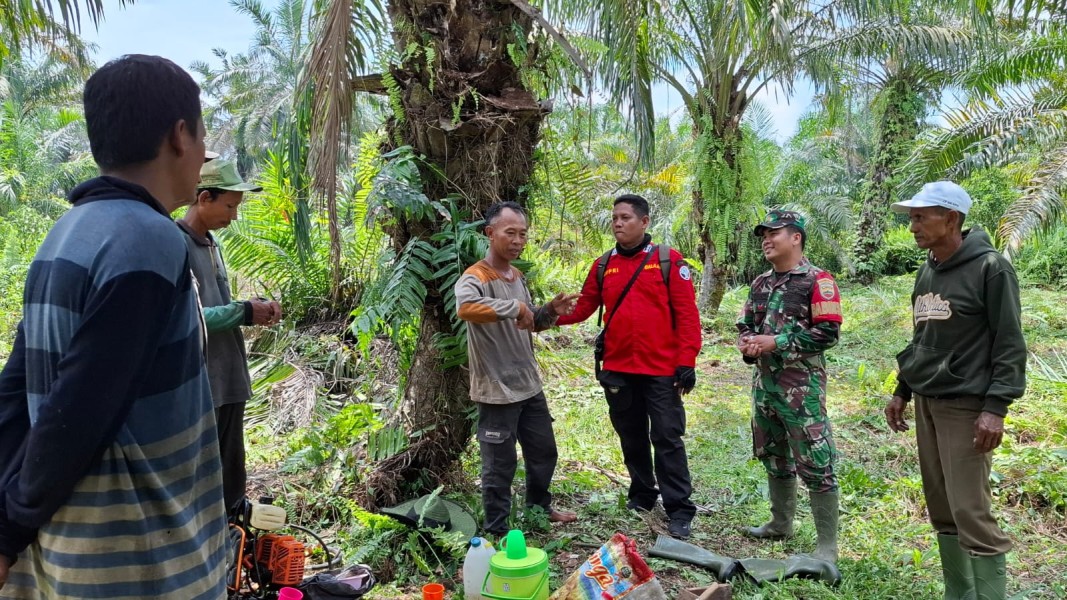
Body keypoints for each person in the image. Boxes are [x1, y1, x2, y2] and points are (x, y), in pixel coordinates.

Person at [0, 55, 226, 598]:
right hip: (137, 559)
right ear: (179, 135)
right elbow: (82, 402)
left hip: (72, 555)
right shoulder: (150, 239)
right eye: (201, 137)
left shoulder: (68, 231)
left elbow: (16, 387)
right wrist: (10, 528)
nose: (202, 155)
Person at [885, 181, 1024, 600]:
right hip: (927, 400)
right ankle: (958, 594)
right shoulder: (927, 269)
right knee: (942, 507)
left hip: (966, 406)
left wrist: (996, 407)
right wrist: (902, 391)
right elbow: (921, 337)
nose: (913, 226)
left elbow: (1010, 342)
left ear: (951, 219)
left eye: (920, 216)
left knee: (970, 510)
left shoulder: (990, 268)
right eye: (911, 217)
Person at [555, 194, 701, 539]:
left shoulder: (668, 260)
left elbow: (687, 315)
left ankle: (679, 509)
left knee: (667, 437)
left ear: (644, 221)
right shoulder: (603, 265)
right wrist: (548, 315)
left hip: (661, 369)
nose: (618, 223)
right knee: (631, 435)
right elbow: (584, 308)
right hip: (619, 368)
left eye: (625, 217)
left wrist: (686, 361)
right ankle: (642, 495)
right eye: (615, 218)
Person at [455, 201, 579, 536]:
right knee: (499, 465)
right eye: (510, 232)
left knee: (544, 453)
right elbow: (466, 308)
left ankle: (538, 511)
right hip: (496, 389)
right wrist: (517, 306)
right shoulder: (476, 276)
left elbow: (530, 323)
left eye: (523, 234)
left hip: (528, 385)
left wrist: (549, 311)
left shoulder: (517, 275)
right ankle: (496, 532)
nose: (518, 240)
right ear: (489, 233)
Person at [736, 209, 842, 563]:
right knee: (773, 454)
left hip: (802, 390)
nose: (766, 239)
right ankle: (781, 523)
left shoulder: (818, 280)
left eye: (774, 232)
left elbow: (828, 332)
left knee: (815, 460)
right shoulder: (760, 283)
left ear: (796, 237)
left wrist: (776, 342)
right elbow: (747, 325)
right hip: (765, 387)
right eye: (763, 233)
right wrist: (749, 345)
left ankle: (826, 547)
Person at [179, 157, 281, 515]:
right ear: (204, 198)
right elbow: (183, 319)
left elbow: (216, 305)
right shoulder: (175, 244)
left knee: (231, 475)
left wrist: (254, 309)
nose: (234, 215)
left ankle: (235, 545)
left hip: (228, 379)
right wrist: (243, 311)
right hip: (201, 384)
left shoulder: (211, 244)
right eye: (230, 206)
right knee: (201, 478)